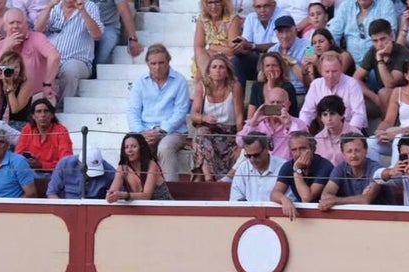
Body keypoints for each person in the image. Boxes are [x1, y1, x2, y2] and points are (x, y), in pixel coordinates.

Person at [126, 43, 190, 183]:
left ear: (168, 61)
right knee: (135, 147)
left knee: (165, 148)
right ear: (147, 64)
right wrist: (141, 132)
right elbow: (133, 111)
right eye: (153, 63)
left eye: (161, 62)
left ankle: (171, 191)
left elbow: (180, 111)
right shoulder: (140, 82)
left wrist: (162, 130)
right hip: (146, 130)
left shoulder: (179, 81)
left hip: (173, 130)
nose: (157, 67)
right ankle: (138, 188)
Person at [0, 8, 60, 116]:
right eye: (11, 23)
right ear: (4, 26)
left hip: (37, 92)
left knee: (46, 99)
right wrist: (6, 47)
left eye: (19, 22)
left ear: (26, 24)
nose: (15, 26)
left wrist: (48, 84)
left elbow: (54, 57)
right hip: (7, 89)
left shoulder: (37, 38)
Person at [35, 0, 102, 103]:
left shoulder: (89, 6)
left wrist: (83, 11)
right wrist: (49, 7)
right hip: (52, 59)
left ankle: (62, 108)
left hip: (78, 61)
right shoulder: (56, 6)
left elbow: (97, 35)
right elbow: (38, 29)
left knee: (70, 70)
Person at [191, 53, 244, 181]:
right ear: (209, 71)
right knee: (201, 134)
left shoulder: (234, 86)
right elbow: (194, 115)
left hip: (229, 134)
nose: (218, 70)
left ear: (227, 71)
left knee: (202, 138)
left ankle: (202, 177)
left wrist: (240, 141)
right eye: (214, 67)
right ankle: (208, 177)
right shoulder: (202, 86)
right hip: (210, 132)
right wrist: (205, 118)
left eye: (221, 67)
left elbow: (239, 117)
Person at [270, 129, 333, 218]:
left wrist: (296, 170)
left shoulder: (325, 166)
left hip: (328, 214)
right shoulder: (288, 166)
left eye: (303, 148)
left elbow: (307, 197)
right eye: (294, 150)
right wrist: (284, 199)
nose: (298, 153)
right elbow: (274, 193)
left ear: (312, 149)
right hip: (306, 216)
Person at [300, 51, 368, 132]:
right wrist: (302, 129)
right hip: (326, 131)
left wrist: (347, 134)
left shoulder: (352, 84)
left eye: (334, 71)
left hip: (352, 130)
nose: (331, 76)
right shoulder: (316, 84)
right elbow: (307, 112)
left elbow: (359, 114)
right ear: (321, 71)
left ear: (341, 69)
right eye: (327, 71)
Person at [239, 85, 308, 161]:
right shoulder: (256, 123)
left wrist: (289, 126)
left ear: (288, 104)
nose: (275, 105)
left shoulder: (299, 124)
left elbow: (302, 149)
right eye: (272, 102)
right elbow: (240, 142)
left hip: (286, 168)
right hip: (259, 166)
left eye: (279, 102)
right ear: (265, 104)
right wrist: (253, 124)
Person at [319, 132, 385, 209]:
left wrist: (336, 200)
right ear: (343, 154)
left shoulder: (375, 168)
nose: (353, 155)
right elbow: (325, 196)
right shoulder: (340, 168)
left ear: (366, 151)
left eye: (357, 150)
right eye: (349, 151)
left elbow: (365, 200)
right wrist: (357, 199)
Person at [106, 131, 172, 201]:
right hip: (141, 209)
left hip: (163, 206)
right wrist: (110, 195)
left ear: (141, 148)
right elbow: (112, 191)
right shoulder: (122, 168)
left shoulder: (151, 165)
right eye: (126, 147)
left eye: (134, 146)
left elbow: (146, 196)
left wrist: (123, 195)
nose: (129, 150)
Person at [231, 0, 278, 93]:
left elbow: (278, 44)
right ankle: (240, 96)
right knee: (236, 60)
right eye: (258, 7)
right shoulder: (251, 17)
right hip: (257, 58)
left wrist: (252, 46)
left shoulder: (282, 16)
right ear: (254, 7)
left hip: (277, 58)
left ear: (274, 5)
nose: (262, 10)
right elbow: (246, 45)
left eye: (266, 6)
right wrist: (241, 49)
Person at [15, 95, 72, 173]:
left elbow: (66, 162)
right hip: (29, 173)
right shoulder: (27, 130)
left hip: (55, 174)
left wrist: (42, 165)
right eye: (39, 111)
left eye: (46, 111)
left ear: (52, 115)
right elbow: (18, 155)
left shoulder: (61, 130)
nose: (43, 115)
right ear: (33, 116)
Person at [192, 0, 240, 82]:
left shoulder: (233, 19)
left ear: (223, 3)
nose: (213, 6)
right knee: (199, 57)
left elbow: (232, 50)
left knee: (213, 65)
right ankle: (209, 81)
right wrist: (217, 50)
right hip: (206, 58)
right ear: (205, 4)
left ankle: (209, 82)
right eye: (210, 2)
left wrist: (210, 46)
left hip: (227, 59)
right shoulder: (202, 19)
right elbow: (198, 47)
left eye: (217, 2)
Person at [46, 145, 116, 198]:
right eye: (87, 170)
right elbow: (51, 193)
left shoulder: (109, 171)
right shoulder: (64, 164)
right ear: (79, 163)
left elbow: (119, 193)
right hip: (69, 209)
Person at [230, 131, 279, 201]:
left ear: (266, 149)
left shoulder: (282, 167)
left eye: (256, 155)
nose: (252, 160)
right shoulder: (243, 168)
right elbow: (236, 200)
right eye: (248, 156)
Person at [247, 51, 296, 120]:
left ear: (281, 68)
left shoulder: (288, 87)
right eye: (267, 66)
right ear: (263, 69)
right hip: (259, 125)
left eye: (274, 65)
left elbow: (273, 114)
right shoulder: (256, 86)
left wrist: (271, 86)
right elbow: (250, 116)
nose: (271, 69)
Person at [0, 51, 34, 124]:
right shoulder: (0, 81)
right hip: (1, 122)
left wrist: (9, 86)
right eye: (10, 67)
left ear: (21, 68)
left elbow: (15, 109)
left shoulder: (26, 83)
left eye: (16, 67)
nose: (14, 71)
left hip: (20, 123)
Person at [91, 0, 141, 67]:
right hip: (85, 26)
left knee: (108, 42)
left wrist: (132, 39)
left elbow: (124, 11)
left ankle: (95, 70)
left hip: (108, 27)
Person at [270, 14, 308, 97]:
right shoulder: (271, 50)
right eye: (281, 32)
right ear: (276, 34)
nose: (284, 36)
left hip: (299, 93)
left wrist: (291, 61)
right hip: (278, 93)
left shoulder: (309, 46)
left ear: (295, 31)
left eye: (287, 31)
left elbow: (308, 80)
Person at [312, 93, 347, 164]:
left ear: (342, 115)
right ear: (321, 117)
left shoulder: (355, 134)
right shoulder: (318, 139)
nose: (329, 119)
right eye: (325, 115)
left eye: (332, 114)